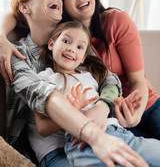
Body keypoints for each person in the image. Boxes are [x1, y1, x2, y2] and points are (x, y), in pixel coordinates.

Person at [0, 0, 150, 167]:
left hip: (99, 133)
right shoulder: (15, 53)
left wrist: (102, 107)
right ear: (24, 8)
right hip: (54, 149)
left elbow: (109, 80)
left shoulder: (72, 40)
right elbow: (42, 94)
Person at [32, 20, 160, 167]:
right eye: (66, 41)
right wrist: (73, 110)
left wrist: (120, 107)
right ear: (51, 44)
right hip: (83, 143)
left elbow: (106, 103)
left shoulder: (91, 76)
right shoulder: (42, 79)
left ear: (84, 57)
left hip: (120, 134)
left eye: (79, 47)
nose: (72, 49)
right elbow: (42, 127)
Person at [51, 0, 160, 139]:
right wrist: (2, 39)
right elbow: (19, 13)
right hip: (111, 118)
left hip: (147, 107)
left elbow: (138, 80)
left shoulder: (117, 21)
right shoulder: (63, 42)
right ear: (61, 4)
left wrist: (135, 116)